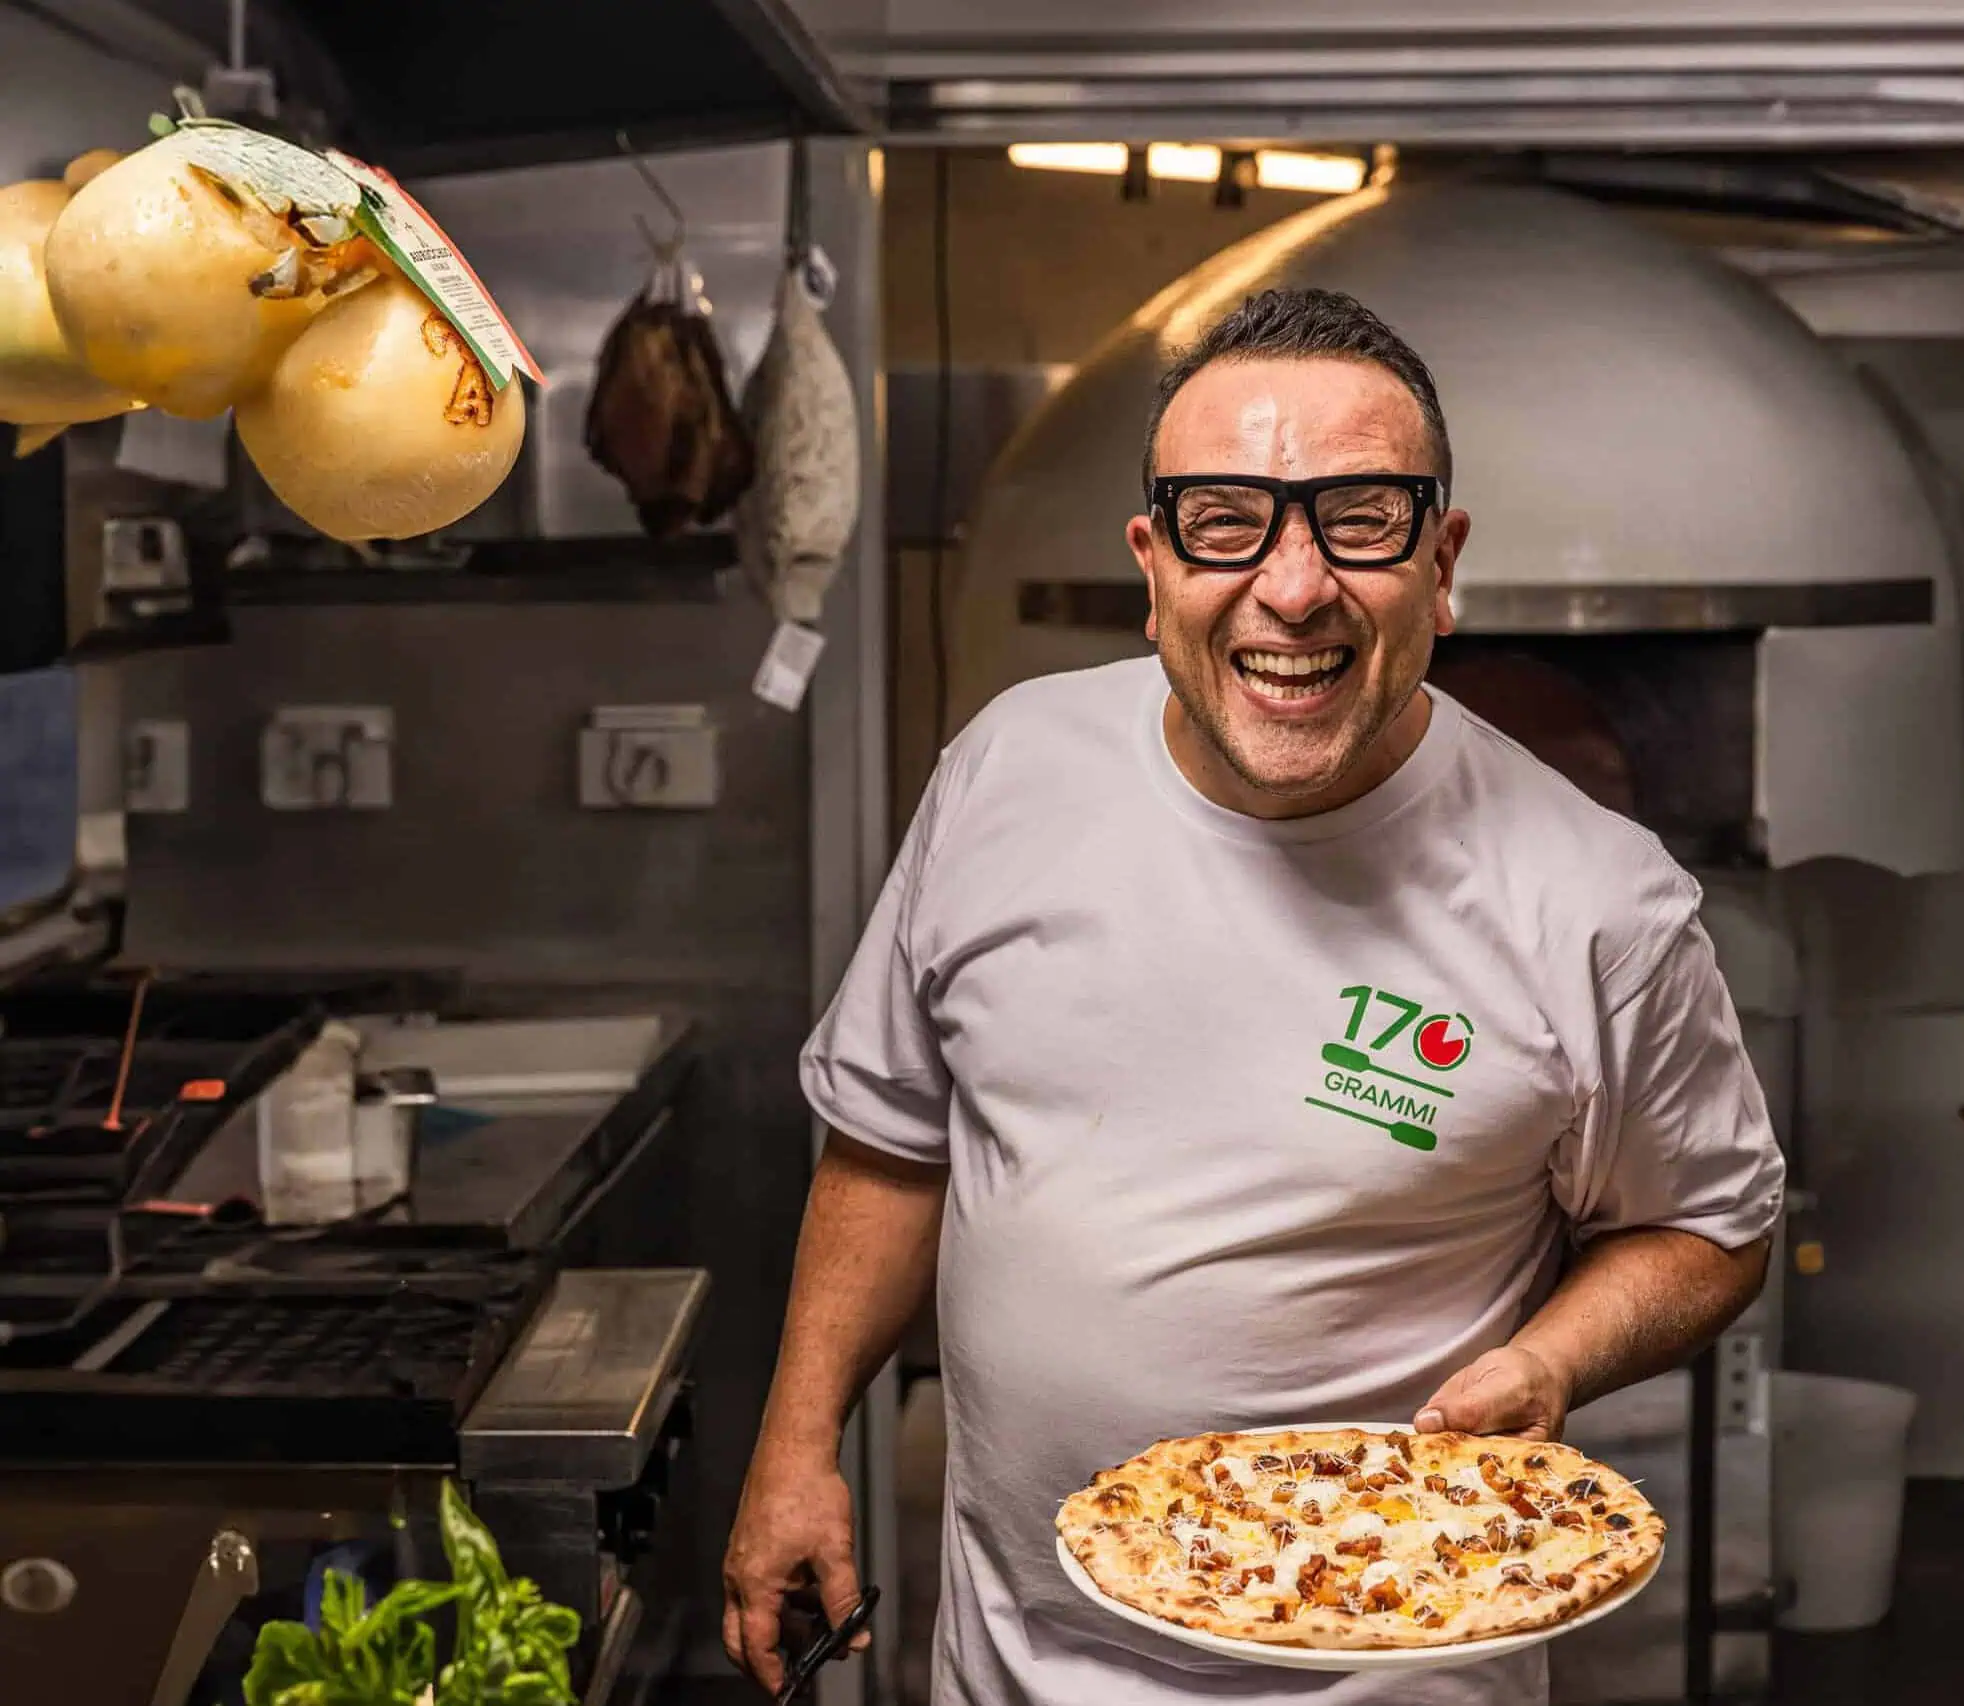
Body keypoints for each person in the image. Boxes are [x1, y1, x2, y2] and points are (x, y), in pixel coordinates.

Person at [724, 286, 1785, 1705]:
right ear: (1153, 562)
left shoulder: (1595, 900)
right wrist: (796, 1443)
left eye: (1362, 518)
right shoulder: (1008, 770)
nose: (1294, 588)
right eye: (1230, 521)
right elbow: (892, 1138)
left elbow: (1715, 1220)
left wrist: (1550, 1361)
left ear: (1443, 558)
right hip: (1011, 1667)